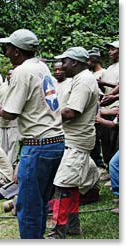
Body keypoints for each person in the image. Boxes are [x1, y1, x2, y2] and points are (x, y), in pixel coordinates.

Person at [0, 29, 65, 239]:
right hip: (55, 142)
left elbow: (10, 112)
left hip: (37, 145)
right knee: (41, 202)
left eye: (7, 48)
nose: (6, 52)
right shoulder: (42, 67)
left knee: (27, 206)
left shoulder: (21, 71)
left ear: (17, 51)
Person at [47, 47, 100, 239]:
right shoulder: (78, 79)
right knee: (70, 185)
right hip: (72, 139)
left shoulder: (84, 81)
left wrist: (45, 116)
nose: (61, 65)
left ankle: (57, 233)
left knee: (62, 184)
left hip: (77, 141)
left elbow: (71, 113)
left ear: (75, 63)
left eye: (65, 62)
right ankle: (73, 226)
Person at [97, 40, 119, 182]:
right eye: (109, 49)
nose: (110, 52)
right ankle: (110, 169)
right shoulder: (110, 68)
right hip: (106, 107)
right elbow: (107, 90)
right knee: (105, 140)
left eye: (113, 49)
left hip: (116, 108)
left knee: (115, 141)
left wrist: (112, 95)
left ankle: (116, 172)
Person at [86, 47, 106, 169]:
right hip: (91, 109)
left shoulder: (103, 72)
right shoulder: (89, 74)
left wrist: (101, 85)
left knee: (98, 137)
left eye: (89, 60)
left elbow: (107, 91)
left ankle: (99, 163)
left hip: (101, 108)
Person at [0, 69, 19, 166]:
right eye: (8, 74)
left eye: (12, 74)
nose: (10, 76)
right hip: (1, 119)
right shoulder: (1, 87)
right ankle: (3, 165)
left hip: (14, 120)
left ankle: (11, 164)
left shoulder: (18, 87)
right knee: (2, 145)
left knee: (13, 144)